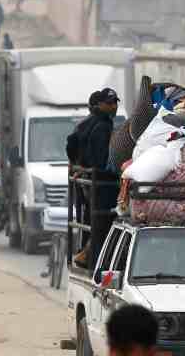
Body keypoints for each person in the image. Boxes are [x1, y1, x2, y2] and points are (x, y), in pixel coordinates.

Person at [70, 87, 120, 267]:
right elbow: (100, 159)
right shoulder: (102, 125)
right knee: (103, 221)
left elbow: (73, 145)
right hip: (101, 182)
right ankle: (91, 257)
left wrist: (79, 165)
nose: (114, 107)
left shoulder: (89, 123)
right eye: (109, 103)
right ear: (99, 105)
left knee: (93, 219)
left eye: (115, 103)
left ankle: (87, 254)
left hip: (91, 181)